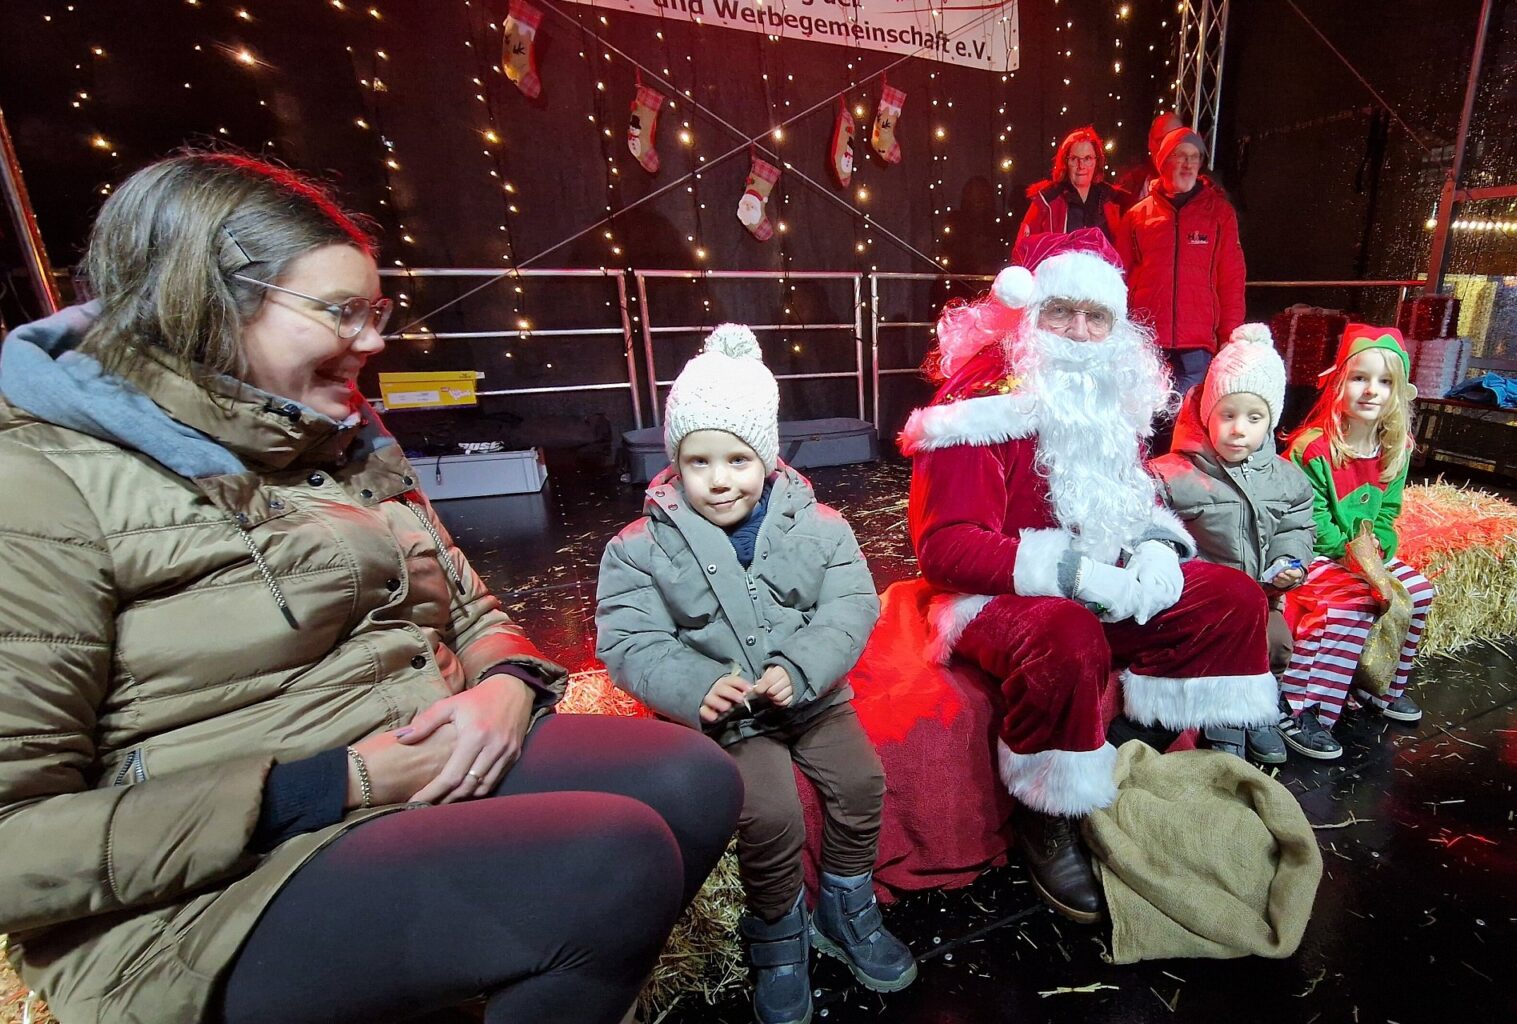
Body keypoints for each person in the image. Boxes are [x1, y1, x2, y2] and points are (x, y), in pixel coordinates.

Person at [0, 152, 743, 1024]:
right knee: (609, 861)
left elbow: (471, 608)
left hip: (407, 761)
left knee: (694, 781)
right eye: (340, 312)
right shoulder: (43, 479)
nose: (375, 340)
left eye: (376, 309)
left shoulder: (339, 433)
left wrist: (508, 688)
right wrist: (341, 784)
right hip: (214, 886)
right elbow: (19, 845)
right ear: (204, 303)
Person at [900, 228, 1281, 925]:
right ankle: (1048, 815)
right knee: (1068, 633)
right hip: (996, 595)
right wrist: (1072, 574)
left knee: (1230, 596)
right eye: (1061, 311)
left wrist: (1159, 550)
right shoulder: (978, 399)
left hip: (1100, 580)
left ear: (1115, 326)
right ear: (1030, 313)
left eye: (1096, 316)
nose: (1079, 331)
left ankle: (1132, 762)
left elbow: (1140, 500)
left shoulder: (1110, 393)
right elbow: (946, 549)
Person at [596, 325, 913, 1024]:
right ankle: (777, 933)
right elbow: (630, 639)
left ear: (767, 458)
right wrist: (691, 686)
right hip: (732, 716)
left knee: (860, 782)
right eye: (697, 460)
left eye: (737, 458)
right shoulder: (639, 548)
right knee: (767, 812)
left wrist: (803, 667)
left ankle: (845, 905)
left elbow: (852, 606)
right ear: (673, 461)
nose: (718, 479)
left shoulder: (824, 528)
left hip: (813, 697)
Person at [1148, 323, 1316, 766]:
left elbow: (1298, 526)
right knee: (1223, 645)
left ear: (1271, 420)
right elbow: (1157, 530)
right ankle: (1224, 718)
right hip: (1205, 602)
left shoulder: (1286, 479)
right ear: (1207, 413)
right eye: (1228, 414)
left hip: (1262, 594)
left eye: (1254, 418)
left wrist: (1290, 561)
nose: (1239, 429)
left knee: (1276, 642)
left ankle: (1259, 708)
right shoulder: (1172, 474)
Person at [1279, 325, 1438, 762]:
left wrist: (1379, 551)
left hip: (1363, 554)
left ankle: (1383, 685)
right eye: (1359, 378)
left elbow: (1387, 513)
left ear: (1398, 392)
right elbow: (1310, 521)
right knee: (1353, 603)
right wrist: (1356, 558)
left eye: (1385, 382)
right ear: (1339, 384)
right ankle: (1303, 708)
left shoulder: (1394, 448)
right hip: (1318, 554)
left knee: (1419, 592)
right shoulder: (1314, 449)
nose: (1372, 391)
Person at [1116, 126, 1247, 403]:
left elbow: (1231, 279)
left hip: (1197, 345)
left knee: (1189, 421)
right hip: (1147, 342)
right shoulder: (1137, 217)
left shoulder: (1219, 214)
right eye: (1179, 156)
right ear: (1163, 163)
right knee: (1146, 422)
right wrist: (1118, 331)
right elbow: (1120, 278)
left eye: (1194, 157)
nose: (1188, 164)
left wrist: (1230, 336)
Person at [1014, 126, 1126, 249]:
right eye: (1074, 159)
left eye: (1087, 158)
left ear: (1096, 161)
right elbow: (1022, 248)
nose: (1081, 165)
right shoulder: (1047, 200)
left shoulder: (1112, 199)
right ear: (1065, 163)